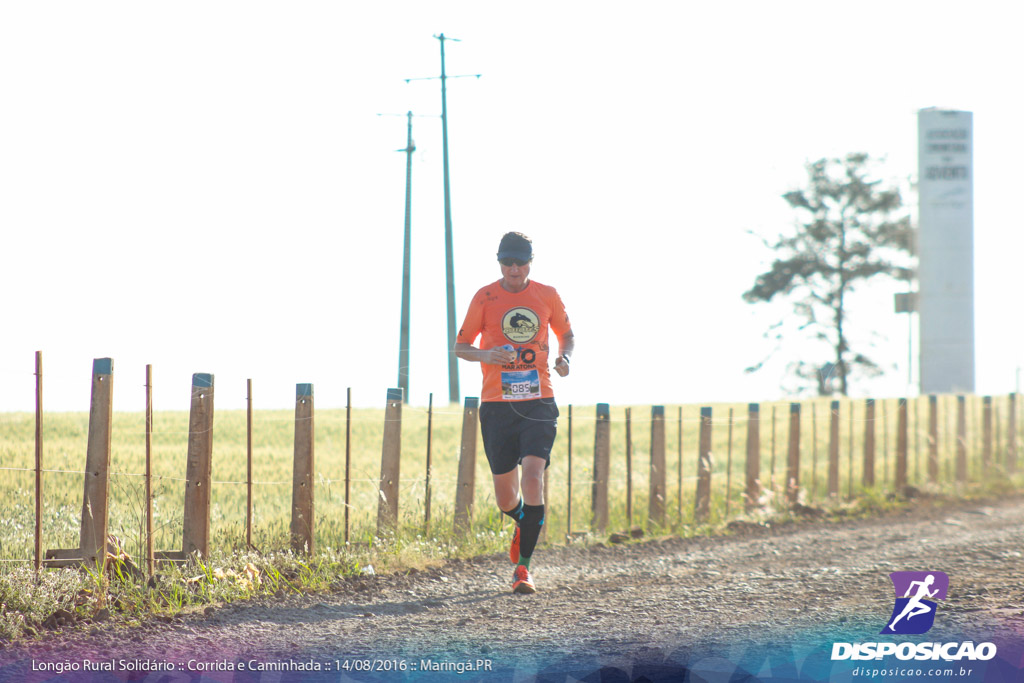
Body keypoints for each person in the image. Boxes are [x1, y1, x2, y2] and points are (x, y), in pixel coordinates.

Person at [454, 231, 574, 594]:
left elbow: (568, 334)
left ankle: (523, 569)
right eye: (507, 262)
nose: (514, 268)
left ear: (530, 262)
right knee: (507, 499)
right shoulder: (485, 296)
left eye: (521, 262)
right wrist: (486, 355)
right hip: (496, 405)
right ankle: (523, 524)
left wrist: (564, 357)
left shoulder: (547, 295)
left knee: (534, 478)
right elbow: (460, 346)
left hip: (538, 401)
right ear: (499, 262)